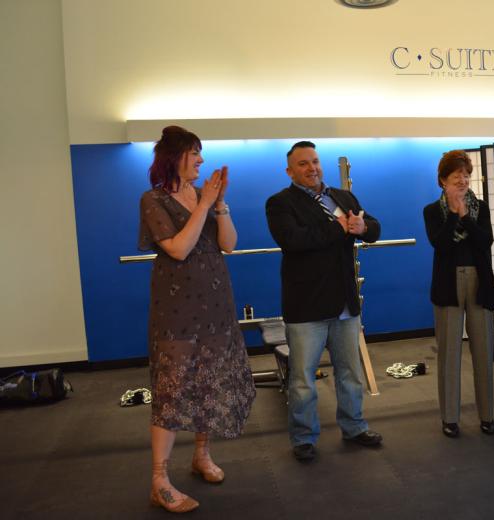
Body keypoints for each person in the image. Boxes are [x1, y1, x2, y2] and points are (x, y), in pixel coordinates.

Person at [138, 126, 255, 512]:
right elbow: (178, 248)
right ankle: (159, 479)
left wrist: (219, 204)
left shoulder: (202, 197)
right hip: (176, 311)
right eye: (194, 153)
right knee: (172, 389)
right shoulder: (153, 199)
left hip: (216, 303)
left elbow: (229, 244)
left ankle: (201, 454)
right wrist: (204, 204)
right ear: (174, 157)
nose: (201, 160)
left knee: (209, 381)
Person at [265, 141, 383, 461]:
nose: (312, 168)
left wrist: (362, 227)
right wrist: (340, 228)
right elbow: (295, 240)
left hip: (344, 304)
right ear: (290, 171)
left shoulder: (342, 197)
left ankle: (355, 426)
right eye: (303, 164)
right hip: (306, 308)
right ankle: (303, 437)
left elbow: (373, 228)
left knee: (350, 373)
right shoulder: (279, 203)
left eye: (315, 161)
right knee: (303, 380)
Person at [423, 150, 494, 438]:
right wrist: (453, 215)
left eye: (467, 175)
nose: (463, 180)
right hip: (447, 283)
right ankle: (450, 418)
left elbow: (485, 241)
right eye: (457, 176)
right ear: (443, 180)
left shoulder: (480, 207)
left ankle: (487, 416)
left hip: (479, 281)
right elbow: (440, 244)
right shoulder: (432, 211)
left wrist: (465, 215)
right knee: (449, 353)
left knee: (483, 350)